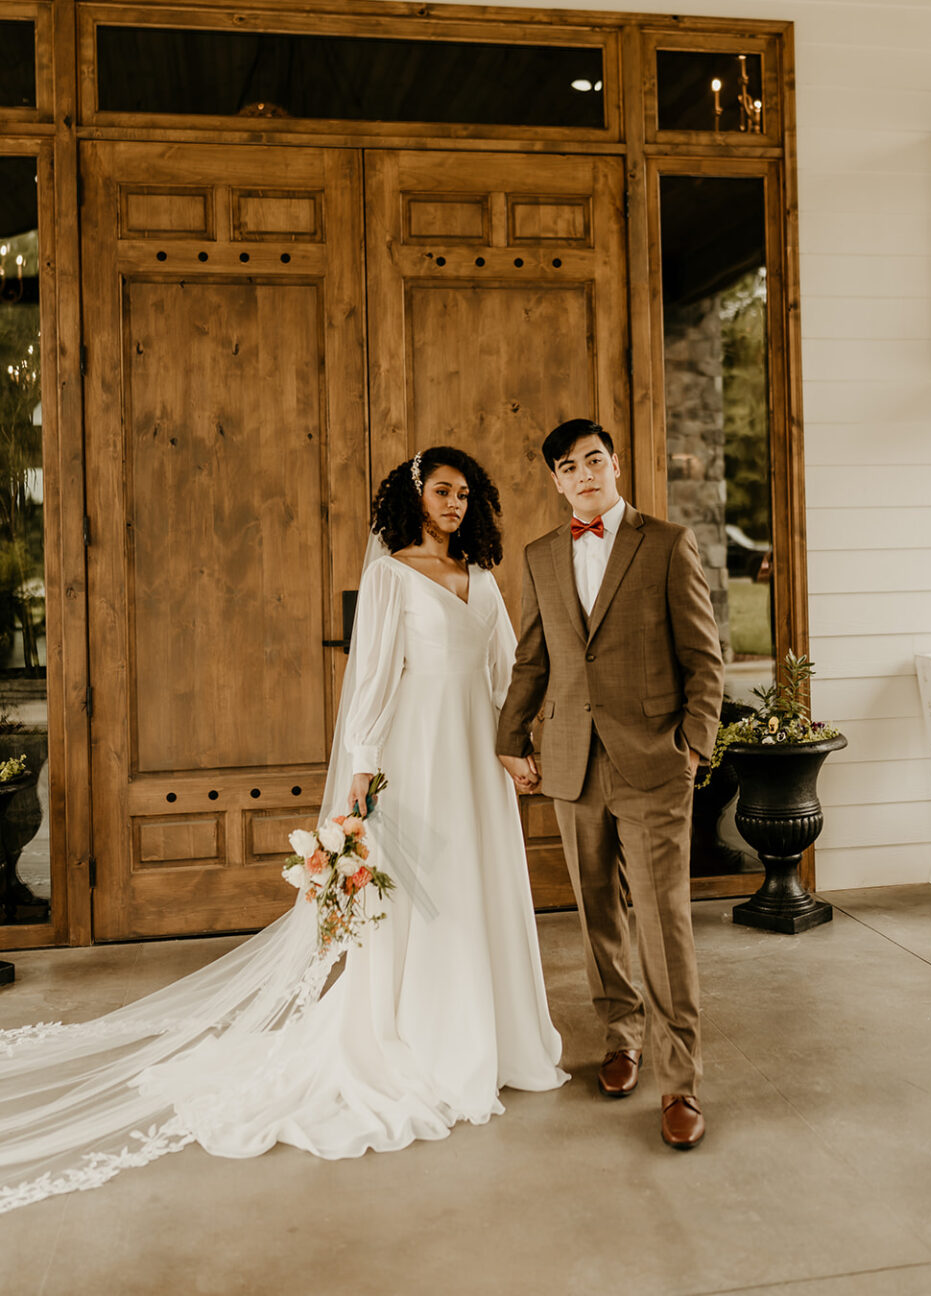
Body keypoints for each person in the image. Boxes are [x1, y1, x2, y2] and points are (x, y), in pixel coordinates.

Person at [0, 447, 565, 1214]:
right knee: (428, 901)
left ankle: (494, 1038)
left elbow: (505, 673)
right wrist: (362, 776)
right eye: (442, 491)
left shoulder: (484, 578)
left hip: (476, 758)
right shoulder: (391, 576)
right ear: (414, 497)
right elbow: (370, 681)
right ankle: (427, 1038)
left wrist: (518, 746)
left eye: (466, 493)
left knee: (480, 888)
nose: (455, 504)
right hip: (420, 758)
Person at [497, 419, 723, 1150]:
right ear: (557, 481)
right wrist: (510, 739)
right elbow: (533, 659)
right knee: (597, 914)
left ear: (615, 465)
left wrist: (692, 746)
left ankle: (680, 1080)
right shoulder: (537, 557)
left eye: (595, 459)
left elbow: (704, 657)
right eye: (568, 466)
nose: (584, 473)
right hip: (570, 761)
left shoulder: (665, 543)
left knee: (663, 919)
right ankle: (619, 1036)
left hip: (654, 763)